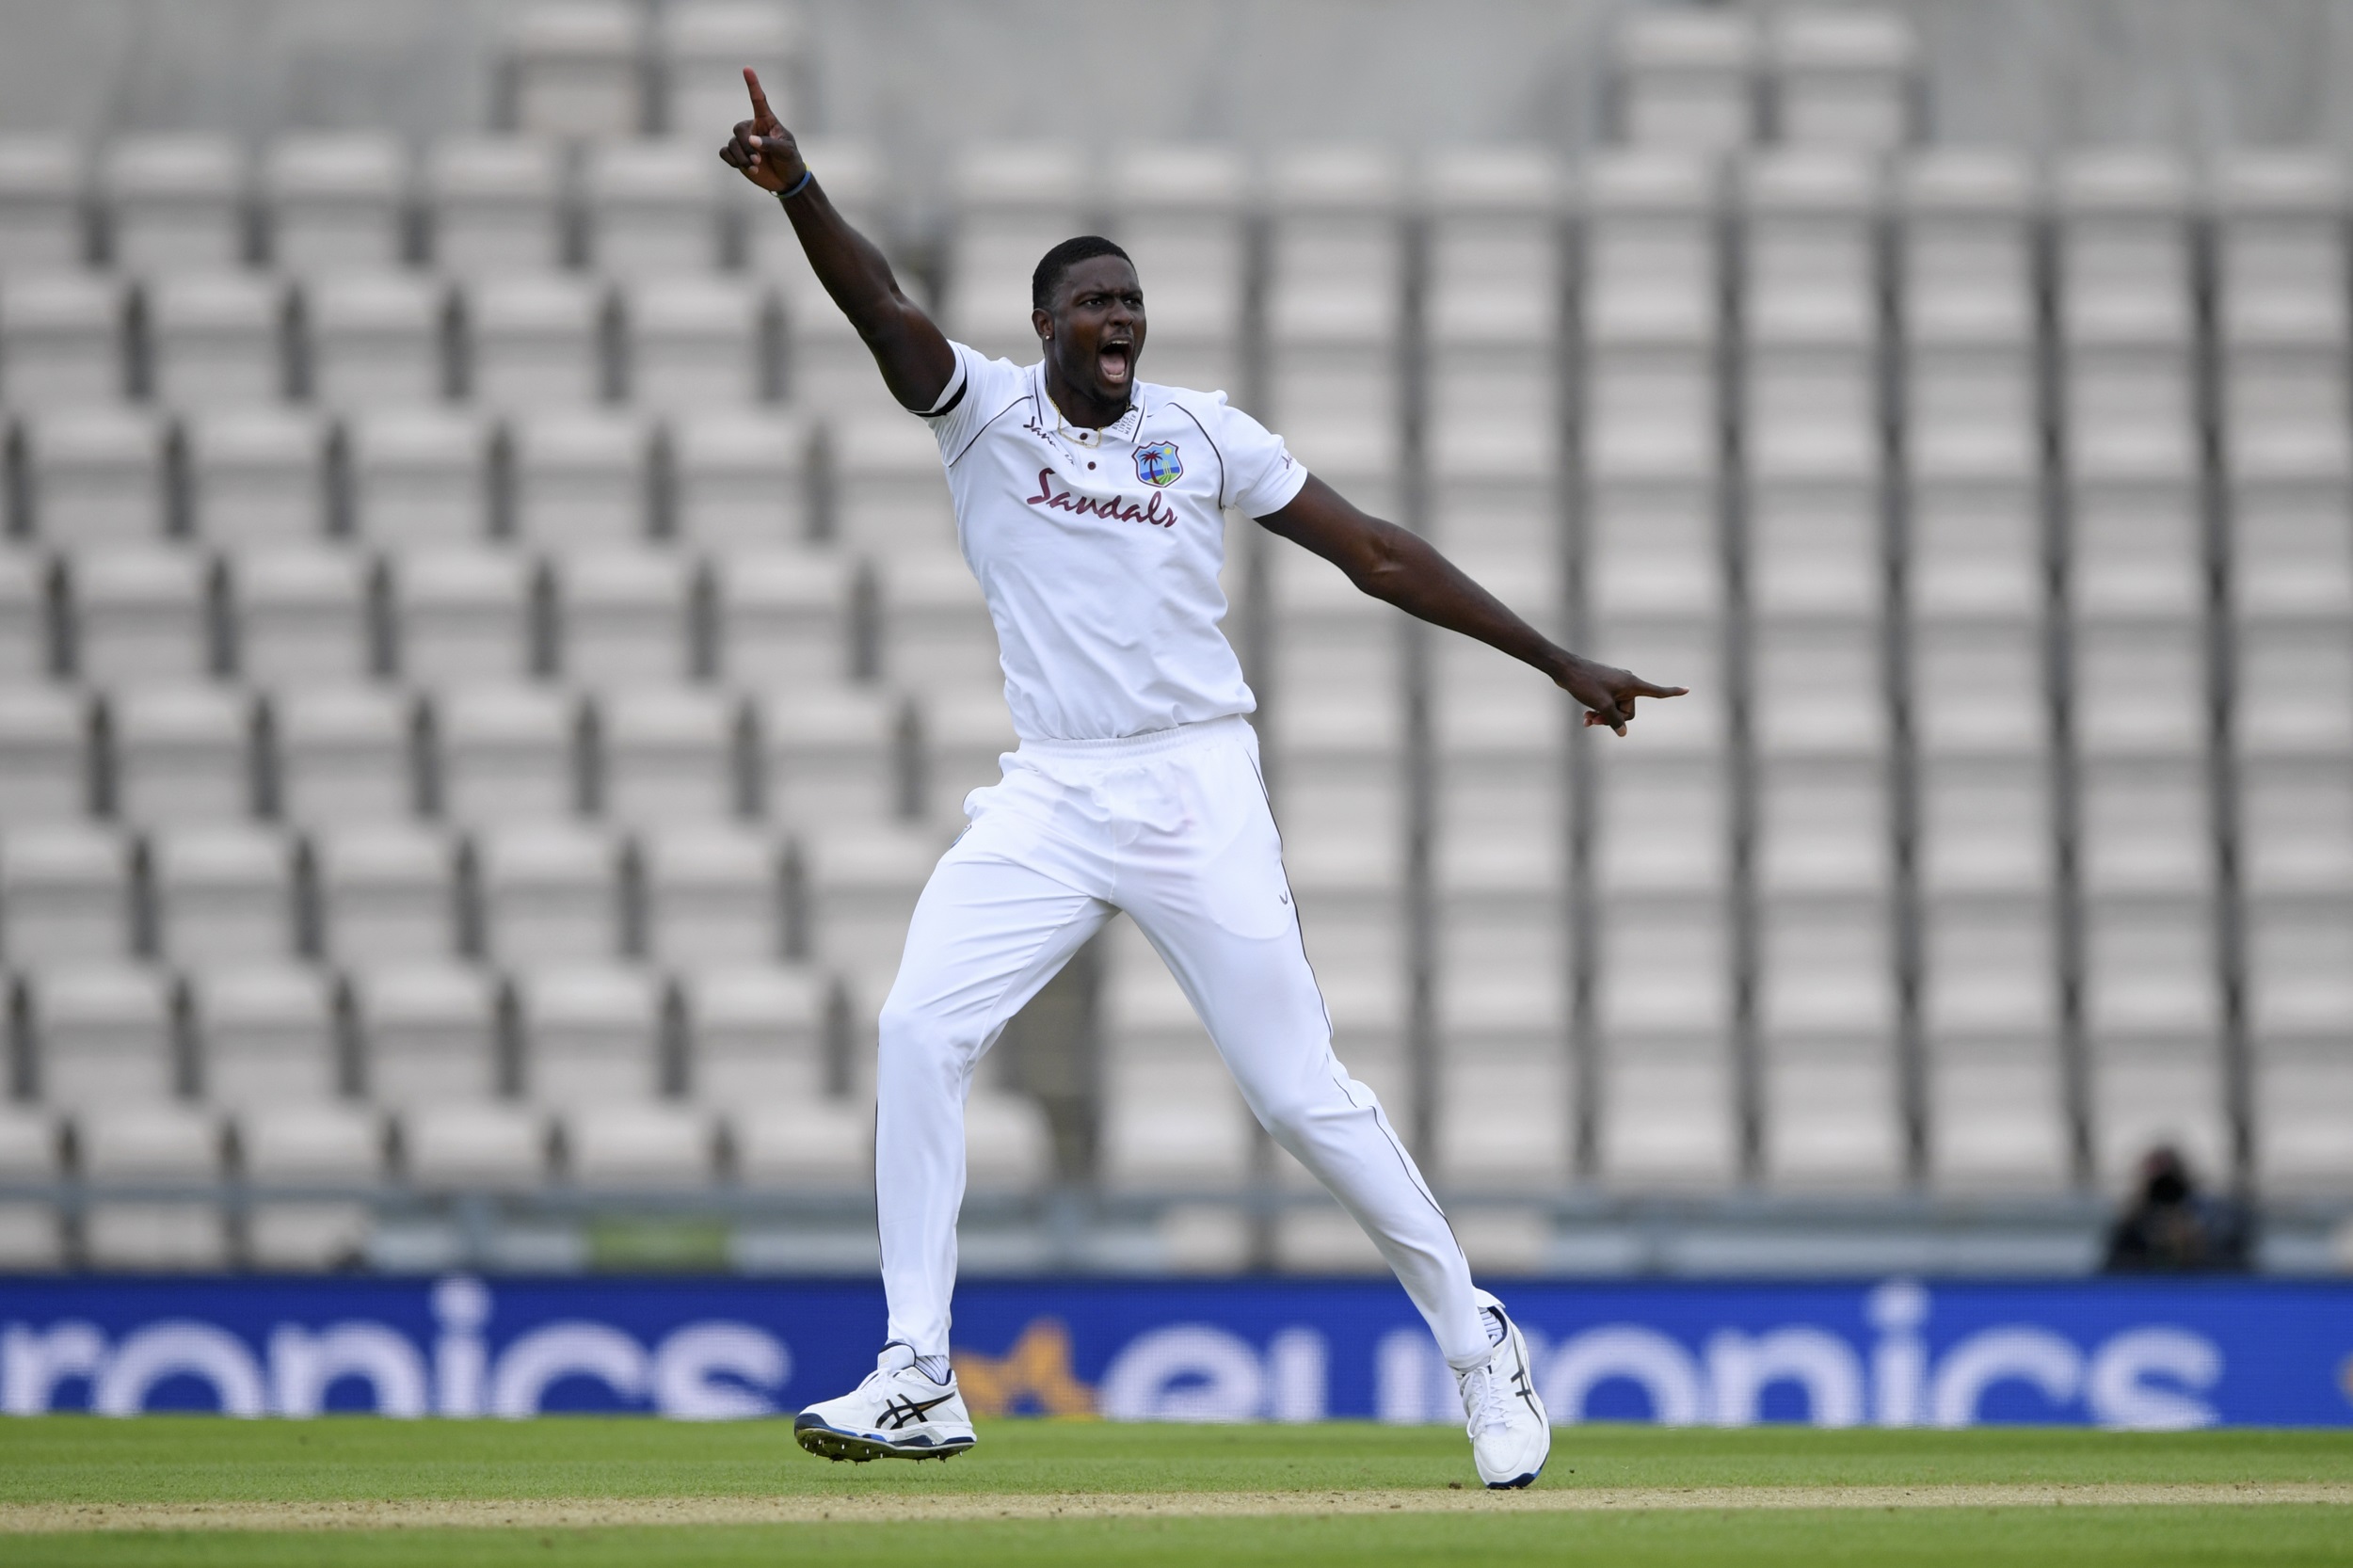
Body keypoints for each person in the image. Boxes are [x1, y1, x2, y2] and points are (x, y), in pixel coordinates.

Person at [720, 71, 1683, 1489]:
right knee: (918, 1029)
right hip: (1053, 792)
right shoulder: (980, 413)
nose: (1120, 320)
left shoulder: (1204, 433)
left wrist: (1554, 659)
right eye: (1093, 303)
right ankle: (917, 1369)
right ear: (1043, 323)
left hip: (1192, 785)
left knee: (1297, 1098)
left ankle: (1478, 1344)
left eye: (1132, 301)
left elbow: (1376, 554)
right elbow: (881, 311)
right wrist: (800, 189)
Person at [2103, 1145, 2252, 1273]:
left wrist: (2194, 1248)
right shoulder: (2130, 1235)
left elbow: (2241, 1272)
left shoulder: (2218, 1234)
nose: (2167, 1228)